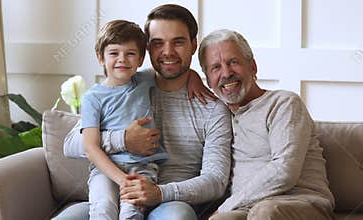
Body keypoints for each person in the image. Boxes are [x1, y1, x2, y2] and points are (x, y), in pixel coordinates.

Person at [59, 4, 232, 220]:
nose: (168, 52)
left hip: (170, 203)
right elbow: (71, 144)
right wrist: (123, 140)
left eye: (178, 42)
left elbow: (215, 181)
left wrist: (158, 193)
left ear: (193, 45)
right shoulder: (126, 85)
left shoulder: (213, 110)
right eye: (158, 43)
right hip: (116, 194)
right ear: (147, 49)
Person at [198, 29, 335, 220]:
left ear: (253, 66)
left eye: (233, 62)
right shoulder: (219, 117)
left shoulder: (284, 103)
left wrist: (224, 207)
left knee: (265, 212)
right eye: (215, 68)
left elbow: (284, 171)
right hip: (246, 208)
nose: (226, 73)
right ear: (208, 79)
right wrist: (190, 79)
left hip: (299, 202)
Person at [81, 20, 170, 220]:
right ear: (100, 57)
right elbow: (90, 147)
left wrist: (196, 80)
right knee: (103, 209)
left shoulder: (145, 79)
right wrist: (122, 180)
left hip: (142, 167)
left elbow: (173, 71)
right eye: (114, 53)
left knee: (131, 212)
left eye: (130, 54)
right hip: (104, 170)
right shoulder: (92, 98)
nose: (122, 59)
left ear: (140, 59)